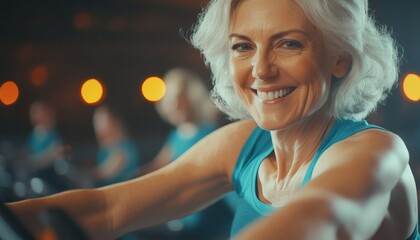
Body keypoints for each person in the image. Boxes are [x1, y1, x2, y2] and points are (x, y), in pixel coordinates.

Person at [7, 0, 419, 239]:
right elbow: (108, 208)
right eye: (243, 47)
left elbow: (322, 219)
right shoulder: (243, 144)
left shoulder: (376, 151)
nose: (260, 70)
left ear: (339, 60)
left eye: (288, 44)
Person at [138, 67, 234, 240]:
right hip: (181, 215)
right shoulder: (175, 135)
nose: (174, 106)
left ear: (191, 99)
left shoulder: (209, 133)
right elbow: (158, 167)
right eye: (171, 101)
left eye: (179, 100)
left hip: (204, 222)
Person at [91, 105, 140, 187]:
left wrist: (88, 175)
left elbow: (107, 172)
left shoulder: (126, 147)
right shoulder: (102, 150)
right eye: (96, 122)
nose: (99, 126)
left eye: (102, 121)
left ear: (114, 122)